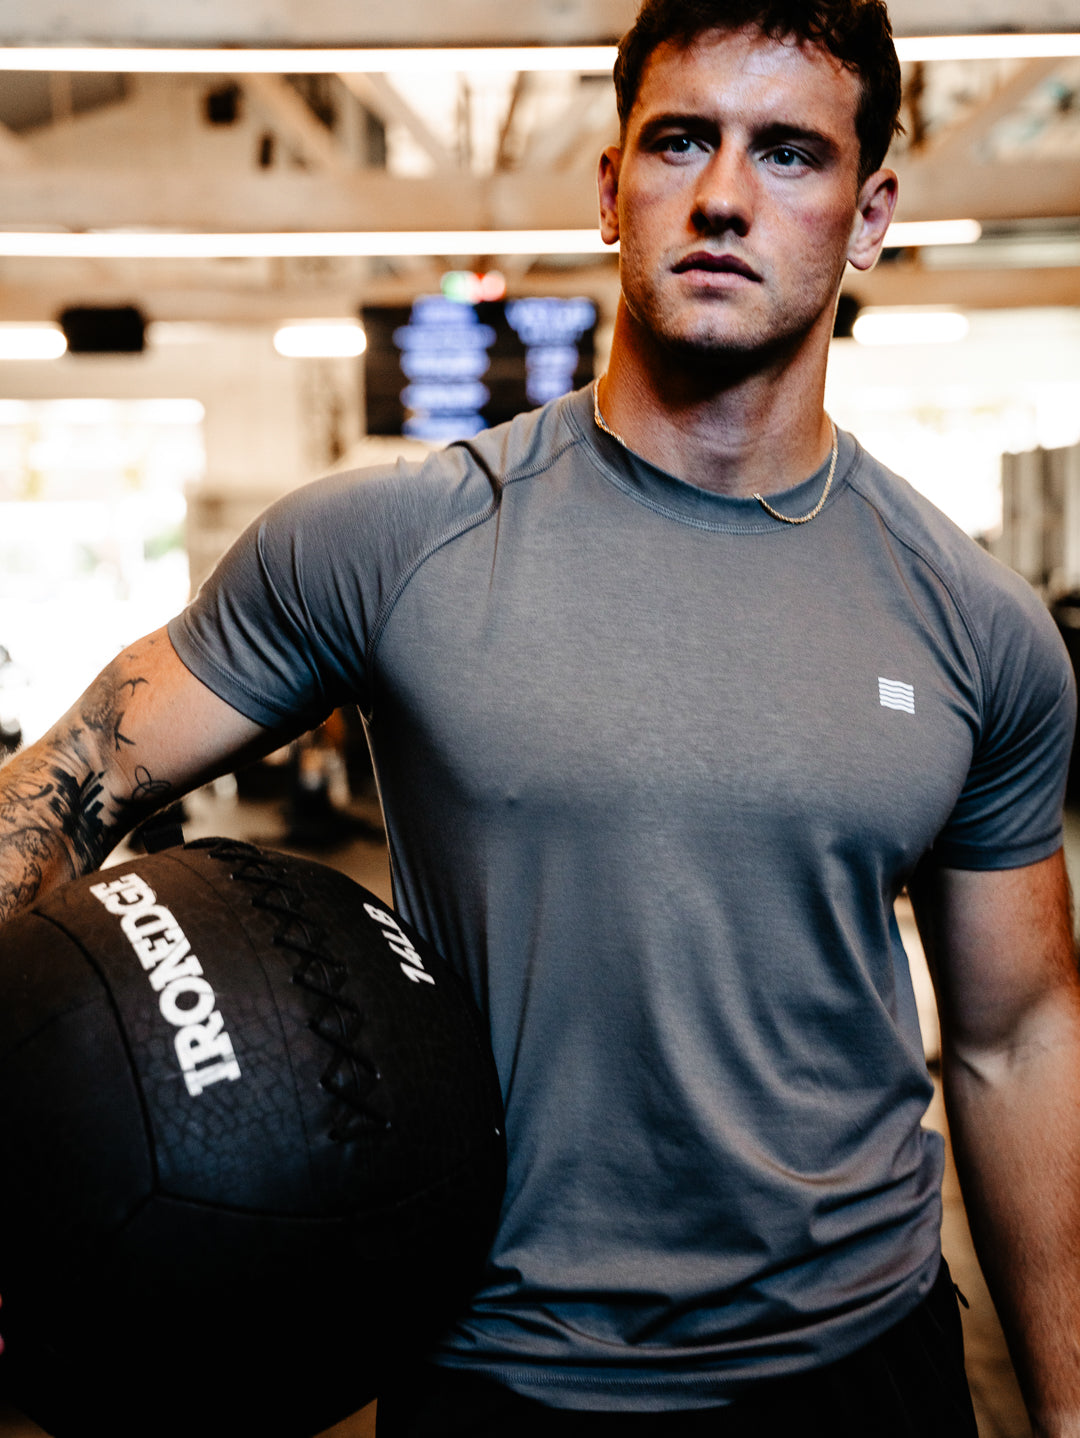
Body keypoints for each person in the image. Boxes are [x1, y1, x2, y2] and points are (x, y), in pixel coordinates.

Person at [1, 0, 1079, 1433]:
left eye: (790, 152)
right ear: (611, 188)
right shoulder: (391, 544)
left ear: (870, 215)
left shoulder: (976, 622)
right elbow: (75, 771)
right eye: (681, 141)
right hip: (500, 1373)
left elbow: (1015, 1035)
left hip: (861, 1362)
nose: (724, 195)